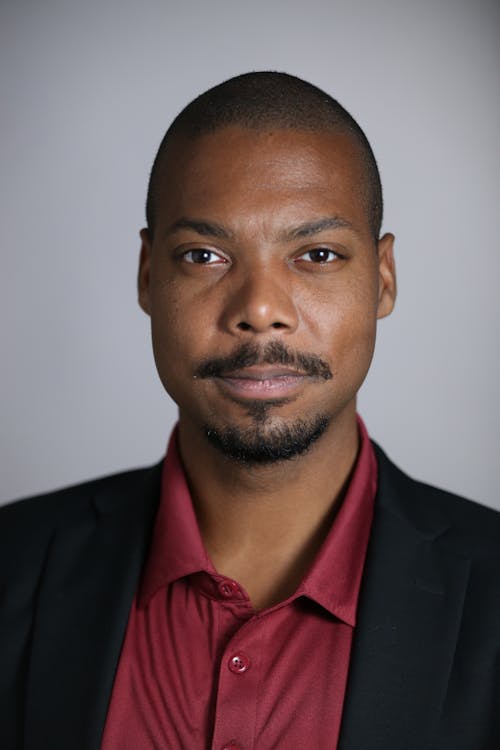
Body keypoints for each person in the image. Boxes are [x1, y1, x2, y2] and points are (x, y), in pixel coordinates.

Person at [1, 72, 499, 750]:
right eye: (204, 255)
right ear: (148, 275)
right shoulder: (14, 564)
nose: (260, 308)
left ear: (382, 279)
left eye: (317, 255)